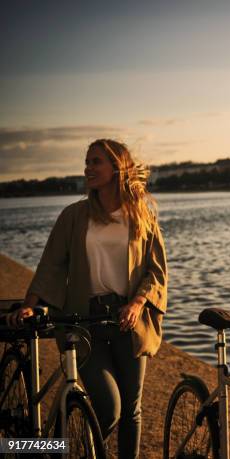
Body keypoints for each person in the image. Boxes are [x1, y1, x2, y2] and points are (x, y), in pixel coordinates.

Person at [8, 139, 167, 459]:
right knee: (109, 409)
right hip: (83, 322)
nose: (88, 168)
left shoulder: (141, 214)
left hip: (128, 321)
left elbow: (156, 270)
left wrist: (137, 303)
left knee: (132, 411)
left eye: (96, 162)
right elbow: (51, 263)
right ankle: (75, 450)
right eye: (87, 162)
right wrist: (30, 303)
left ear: (117, 168)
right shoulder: (74, 215)